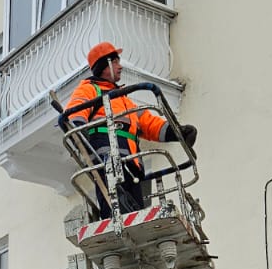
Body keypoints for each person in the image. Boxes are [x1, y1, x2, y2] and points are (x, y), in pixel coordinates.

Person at [64, 41, 197, 215]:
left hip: (131, 164)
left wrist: (176, 131)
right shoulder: (90, 89)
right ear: (105, 65)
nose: (120, 66)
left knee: (134, 210)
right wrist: (79, 132)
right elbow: (75, 114)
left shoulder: (123, 100)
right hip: (107, 160)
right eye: (116, 62)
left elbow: (148, 123)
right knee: (115, 207)